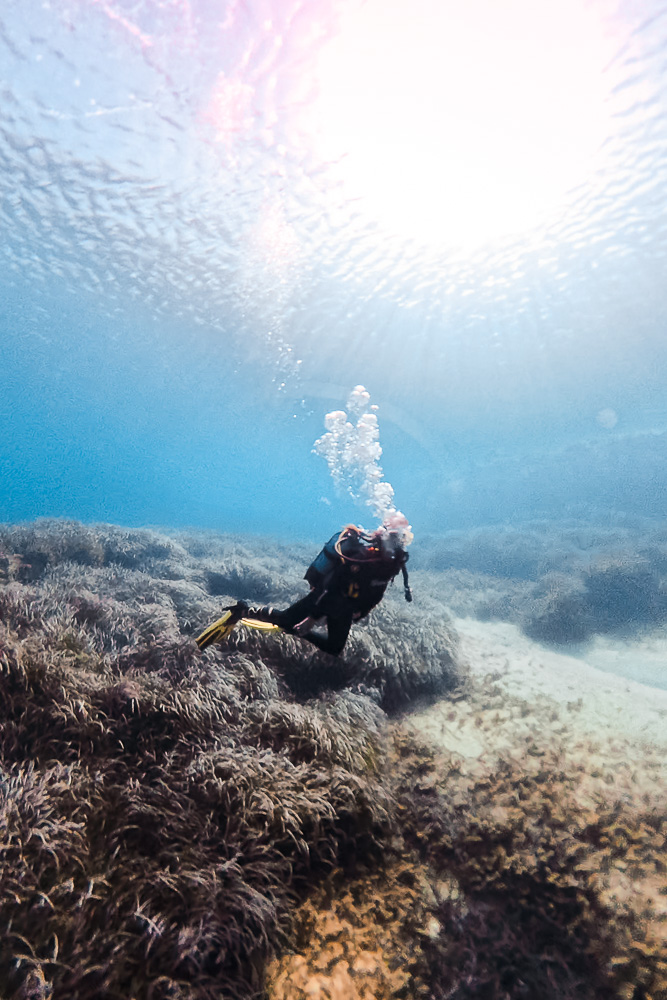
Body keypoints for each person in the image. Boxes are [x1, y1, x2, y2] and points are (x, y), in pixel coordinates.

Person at [196, 514, 413, 656]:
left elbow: (377, 590)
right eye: (393, 537)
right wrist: (312, 619)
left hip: (345, 607)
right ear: (381, 536)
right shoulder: (361, 557)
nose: (397, 544)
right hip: (323, 598)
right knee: (288, 621)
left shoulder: (393, 562)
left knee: (334, 648)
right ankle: (243, 611)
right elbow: (333, 586)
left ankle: (287, 624)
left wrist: (361, 611)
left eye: (402, 538)